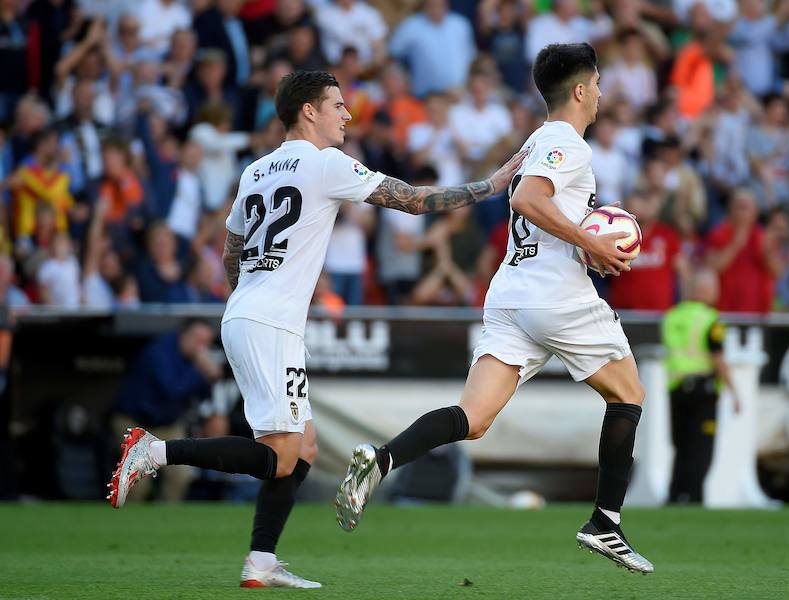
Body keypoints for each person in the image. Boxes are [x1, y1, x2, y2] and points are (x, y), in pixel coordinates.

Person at [107, 69, 525, 589]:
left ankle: (261, 563)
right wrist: (491, 184)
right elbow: (413, 201)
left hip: (249, 313)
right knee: (280, 456)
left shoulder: (255, 171)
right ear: (309, 110)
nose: (348, 114)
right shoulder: (324, 163)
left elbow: (231, 249)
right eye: (338, 105)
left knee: (302, 447)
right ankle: (155, 451)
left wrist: (248, 297)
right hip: (270, 322)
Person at [334, 43, 654, 574]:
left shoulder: (537, 139)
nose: (600, 94)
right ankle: (606, 522)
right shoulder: (567, 143)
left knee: (473, 418)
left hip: (511, 294)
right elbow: (527, 200)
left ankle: (382, 458)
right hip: (557, 296)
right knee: (629, 394)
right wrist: (591, 243)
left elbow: (515, 191)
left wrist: (579, 233)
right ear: (579, 90)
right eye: (596, 84)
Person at [111, 319, 222, 503]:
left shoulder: (193, 360)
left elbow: (203, 395)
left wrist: (211, 377)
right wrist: (200, 369)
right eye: (198, 340)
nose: (201, 347)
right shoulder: (159, 351)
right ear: (184, 335)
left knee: (181, 475)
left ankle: (164, 522)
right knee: (138, 481)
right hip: (134, 422)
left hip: (167, 425)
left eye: (206, 343)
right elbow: (172, 389)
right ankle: (128, 526)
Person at [661, 269, 739, 504]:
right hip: (703, 390)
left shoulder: (672, 316)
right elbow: (718, 358)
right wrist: (735, 392)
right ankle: (694, 498)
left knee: (681, 446)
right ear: (705, 291)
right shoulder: (711, 319)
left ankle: (675, 496)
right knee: (701, 449)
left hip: (676, 386)